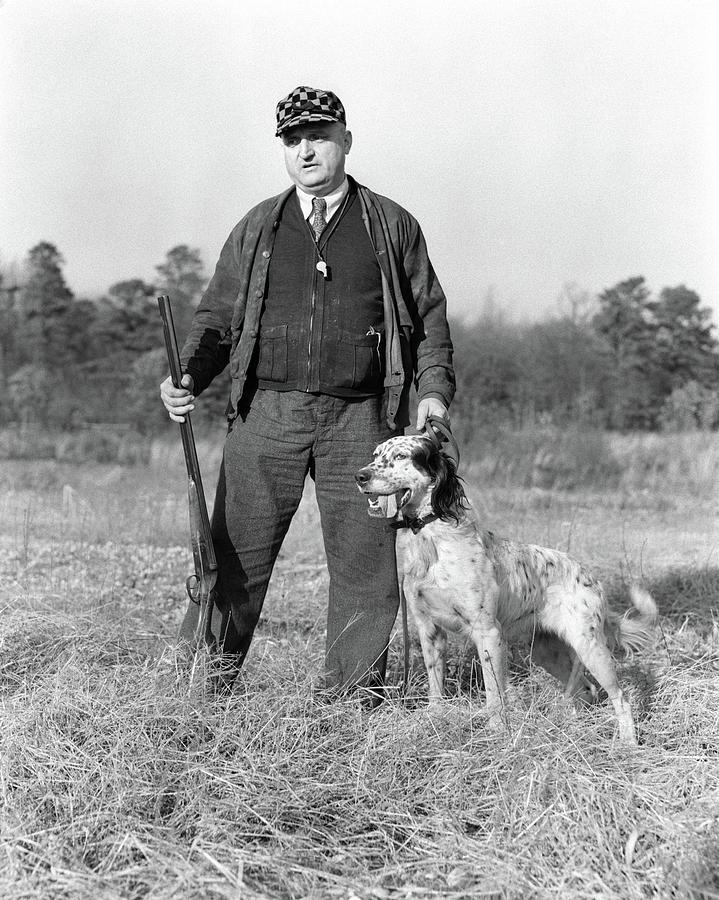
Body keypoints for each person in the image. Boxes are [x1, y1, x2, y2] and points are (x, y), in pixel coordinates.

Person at [160, 86, 454, 700]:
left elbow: (427, 319)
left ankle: (349, 708)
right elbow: (216, 319)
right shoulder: (258, 226)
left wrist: (432, 394)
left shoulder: (392, 225)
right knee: (232, 558)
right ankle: (200, 694)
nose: (305, 150)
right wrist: (188, 376)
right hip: (266, 415)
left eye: (317, 136)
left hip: (365, 422)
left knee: (366, 569)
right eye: (292, 141)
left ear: (346, 139)